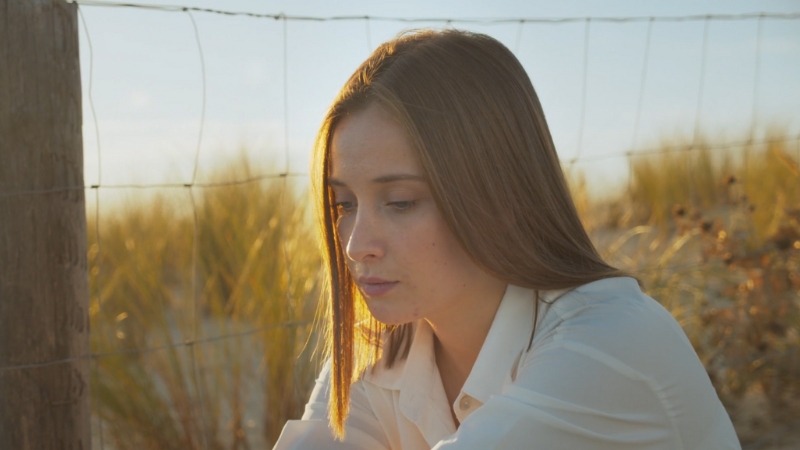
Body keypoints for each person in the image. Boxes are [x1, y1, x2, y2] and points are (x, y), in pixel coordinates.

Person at [273, 29, 741, 449]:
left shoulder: (610, 342)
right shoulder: (381, 349)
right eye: (344, 205)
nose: (356, 246)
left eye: (399, 201)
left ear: (499, 193)